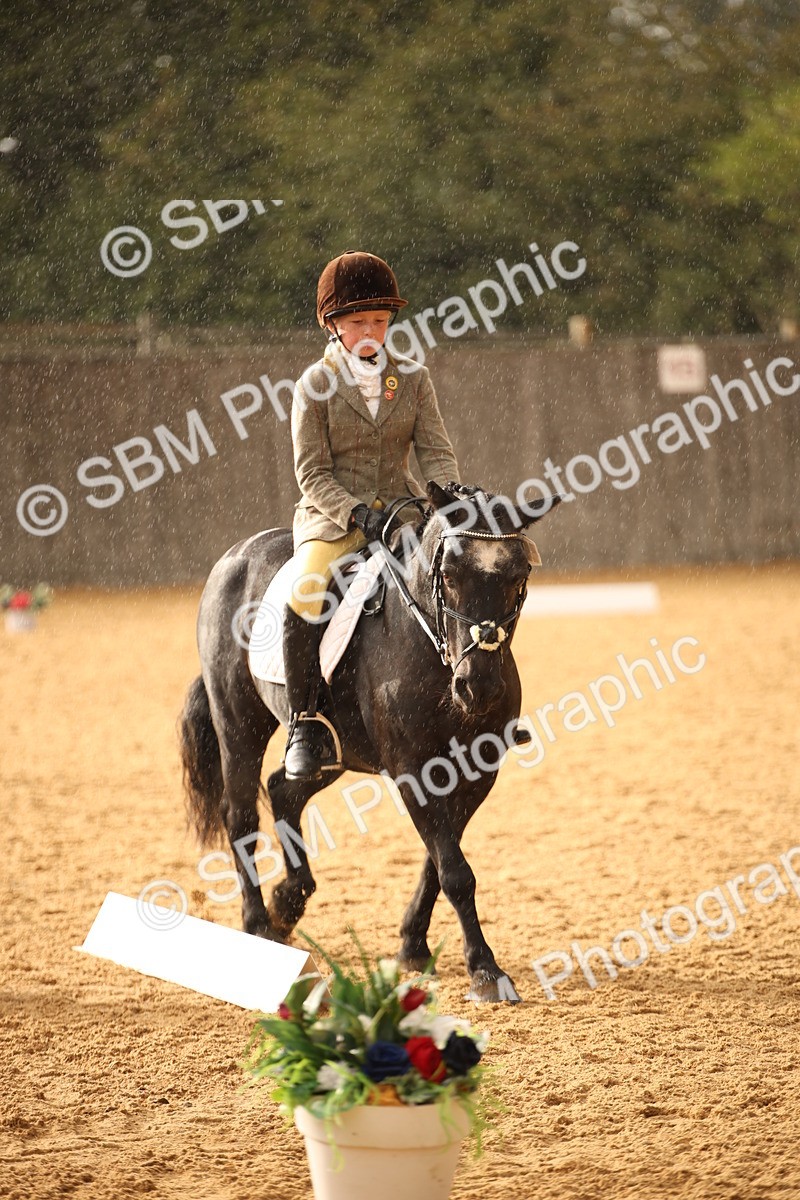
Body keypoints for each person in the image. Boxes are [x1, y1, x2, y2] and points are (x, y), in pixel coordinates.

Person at [281, 250, 461, 779]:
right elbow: (311, 473)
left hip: (403, 511)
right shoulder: (312, 386)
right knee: (306, 592)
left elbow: (437, 452)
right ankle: (305, 722)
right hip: (333, 520)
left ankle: (473, 704)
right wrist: (358, 513)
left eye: (379, 321)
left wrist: (449, 495)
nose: (370, 331)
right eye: (358, 321)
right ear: (333, 324)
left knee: (456, 579)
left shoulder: (413, 378)